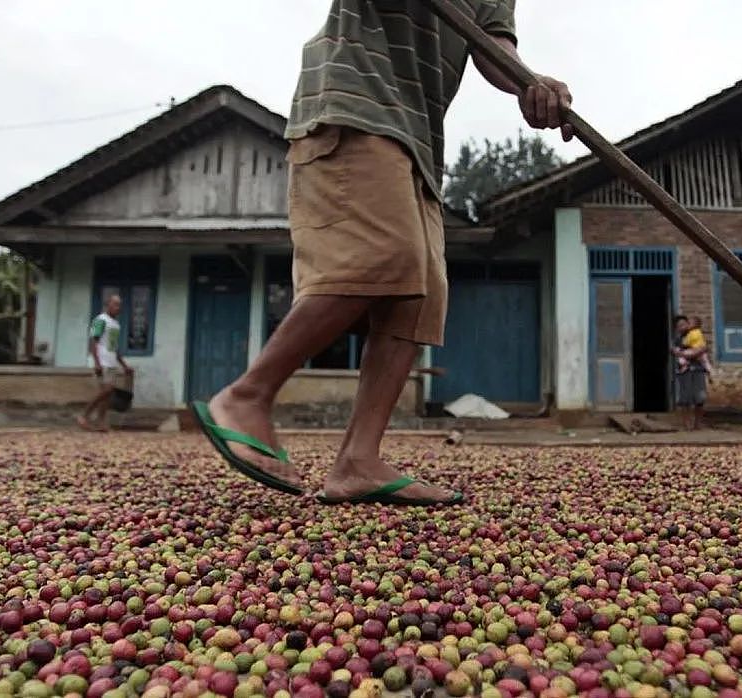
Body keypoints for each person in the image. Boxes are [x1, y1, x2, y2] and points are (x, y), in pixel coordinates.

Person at [192, 0, 573, 505]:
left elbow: (491, 45)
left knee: (420, 296)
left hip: (418, 137)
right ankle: (248, 395)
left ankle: (358, 461)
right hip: (356, 103)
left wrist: (529, 81)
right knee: (381, 255)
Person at [78, 294, 133, 432]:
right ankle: (84, 415)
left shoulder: (116, 324)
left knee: (108, 394)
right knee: (107, 390)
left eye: (119, 305)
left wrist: (124, 365)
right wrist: (97, 362)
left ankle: (101, 421)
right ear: (107, 305)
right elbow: (93, 342)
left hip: (111, 361)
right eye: (115, 304)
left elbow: (114, 347)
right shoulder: (100, 320)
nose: (117, 308)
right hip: (101, 361)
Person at [672, 314, 707, 431]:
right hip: (684, 371)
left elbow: (703, 348)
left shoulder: (697, 334)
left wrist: (698, 351)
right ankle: (687, 424)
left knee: (700, 398)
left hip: (698, 369)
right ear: (676, 328)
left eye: (684, 324)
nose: (682, 327)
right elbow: (676, 352)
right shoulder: (678, 340)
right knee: (685, 398)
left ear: (688, 324)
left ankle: (698, 423)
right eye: (679, 326)